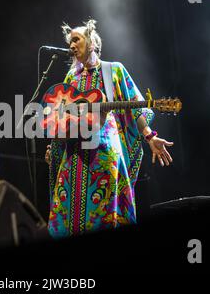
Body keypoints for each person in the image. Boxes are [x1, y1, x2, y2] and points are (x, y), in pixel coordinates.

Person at [45, 19, 174, 238]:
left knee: (106, 213)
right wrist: (55, 146)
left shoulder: (113, 70)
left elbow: (134, 108)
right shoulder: (70, 78)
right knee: (68, 215)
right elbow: (61, 118)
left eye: (76, 39)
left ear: (92, 43)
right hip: (74, 155)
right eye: (69, 42)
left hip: (104, 153)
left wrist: (150, 136)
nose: (71, 45)